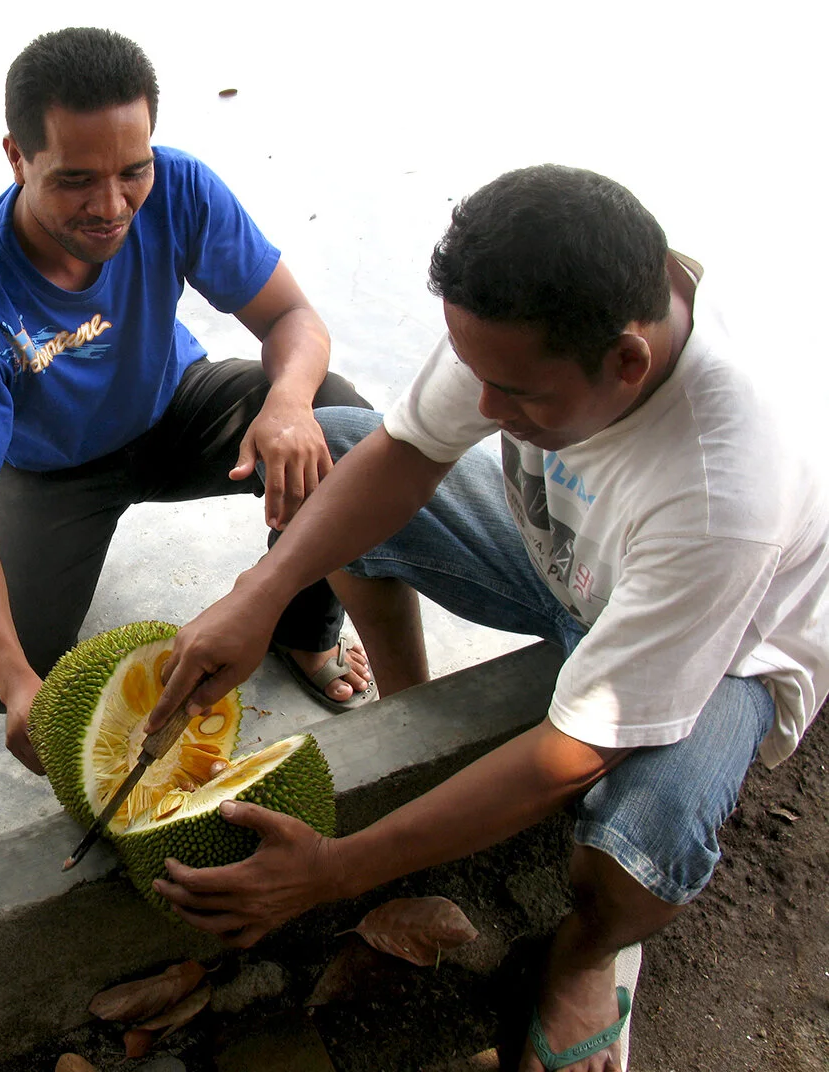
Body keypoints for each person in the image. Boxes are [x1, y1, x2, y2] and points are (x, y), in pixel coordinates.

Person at [146, 165, 829, 1071]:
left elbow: (572, 754)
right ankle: (409, 715)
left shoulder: (722, 489)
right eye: (475, 371)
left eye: (517, 396)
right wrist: (261, 594)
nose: (486, 407)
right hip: (569, 562)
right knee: (339, 452)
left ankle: (584, 957)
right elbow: (408, 449)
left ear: (629, 362)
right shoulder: (529, 311)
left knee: (641, 838)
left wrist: (334, 870)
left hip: (727, 649)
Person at [0, 26, 375, 774]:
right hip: (54, 470)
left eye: (132, 170)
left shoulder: (178, 187)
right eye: (76, 179)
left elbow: (293, 319)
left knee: (339, 428)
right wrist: (22, 683)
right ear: (17, 158)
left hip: (175, 406)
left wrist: (285, 401)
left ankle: (306, 626)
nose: (113, 205)